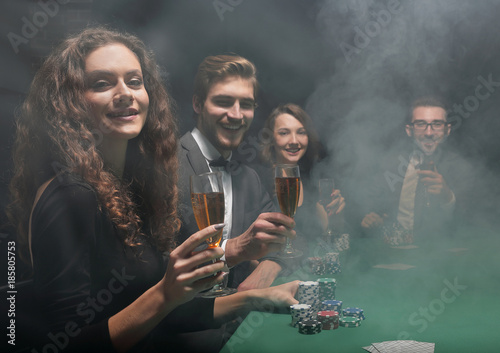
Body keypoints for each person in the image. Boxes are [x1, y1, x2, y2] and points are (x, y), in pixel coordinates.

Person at [7, 27, 299, 352]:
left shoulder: (128, 188)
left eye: (134, 81)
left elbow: (167, 313)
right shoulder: (70, 195)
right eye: (103, 83)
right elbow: (64, 345)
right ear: (69, 102)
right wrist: (166, 294)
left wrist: (260, 298)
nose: (125, 93)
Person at [177, 55, 296, 292]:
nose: (236, 114)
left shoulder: (248, 178)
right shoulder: (165, 166)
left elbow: (288, 240)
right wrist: (236, 249)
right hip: (181, 325)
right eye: (223, 101)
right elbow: (151, 270)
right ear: (198, 104)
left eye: (246, 104)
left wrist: (264, 272)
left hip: (235, 319)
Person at [360, 96, 473, 239]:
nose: (429, 133)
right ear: (409, 130)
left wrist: (447, 197)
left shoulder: (462, 168)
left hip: (444, 254)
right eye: (421, 124)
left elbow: (474, 224)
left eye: (437, 124)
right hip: (394, 252)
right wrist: (373, 219)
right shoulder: (390, 164)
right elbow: (371, 208)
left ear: (447, 130)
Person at [258, 103, 346, 251]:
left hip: (309, 266)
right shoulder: (259, 181)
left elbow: (326, 235)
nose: (294, 141)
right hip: (276, 269)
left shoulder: (312, 180)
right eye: (284, 133)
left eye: (301, 132)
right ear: (272, 139)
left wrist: (336, 215)